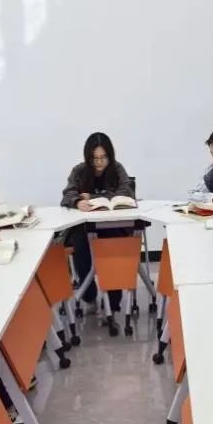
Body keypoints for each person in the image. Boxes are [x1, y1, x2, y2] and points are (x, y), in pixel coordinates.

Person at [61, 132, 135, 313]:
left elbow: (126, 192)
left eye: (103, 158)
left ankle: (114, 301)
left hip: (113, 225)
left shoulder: (117, 169)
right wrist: (78, 202)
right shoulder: (79, 171)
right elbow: (68, 194)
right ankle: (89, 296)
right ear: (88, 157)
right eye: (95, 158)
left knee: (114, 245)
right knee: (80, 247)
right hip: (85, 228)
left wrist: (92, 197)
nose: (99, 162)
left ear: (110, 156)